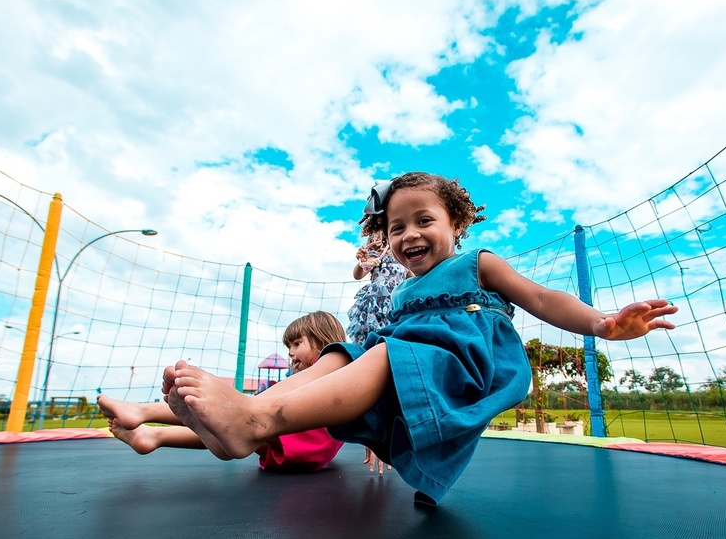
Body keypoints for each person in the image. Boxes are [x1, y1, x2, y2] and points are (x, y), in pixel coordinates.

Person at [165, 172, 677, 505]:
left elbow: (541, 299)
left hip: (467, 362)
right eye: (395, 227)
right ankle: (245, 413)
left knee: (385, 351)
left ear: (455, 224)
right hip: (412, 358)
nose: (408, 234)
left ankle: (255, 421)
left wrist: (603, 324)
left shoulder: (477, 264)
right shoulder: (403, 289)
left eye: (424, 221)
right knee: (339, 355)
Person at [99, 311, 348, 473]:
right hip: (304, 457)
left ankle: (144, 410)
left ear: (322, 339)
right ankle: (155, 437)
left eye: (296, 344)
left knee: (242, 418)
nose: (291, 353)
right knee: (230, 429)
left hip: (306, 442)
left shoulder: (335, 362)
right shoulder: (339, 381)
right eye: (288, 347)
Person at [348, 231, 408, 475]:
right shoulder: (376, 247)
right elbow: (358, 273)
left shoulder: (403, 250)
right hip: (374, 310)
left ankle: (388, 433)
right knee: (371, 367)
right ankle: (372, 434)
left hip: (398, 307)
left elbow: (411, 275)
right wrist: (364, 259)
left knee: (392, 369)